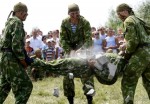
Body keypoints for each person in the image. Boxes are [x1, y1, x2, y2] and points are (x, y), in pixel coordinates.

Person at [59, 3, 94, 104]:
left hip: (83, 51)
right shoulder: (64, 22)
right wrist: (70, 51)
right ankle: (70, 101)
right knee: (67, 76)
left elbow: (88, 40)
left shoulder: (85, 22)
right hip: (69, 51)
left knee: (87, 75)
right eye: (72, 13)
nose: (75, 16)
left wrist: (81, 50)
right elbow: (63, 39)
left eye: (77, 13)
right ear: (69, 14)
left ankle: (89, 99)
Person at [116, 3, 150, 104]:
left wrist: (124, 50)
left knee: (128, 80)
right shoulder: (138, 20)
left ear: (123, 11)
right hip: (148, 53)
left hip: (140, 55)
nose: (119, 17)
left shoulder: (128, 20)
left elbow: (133, 42)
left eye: (118, 14)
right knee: (148, 81)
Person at [0, 2, 33, 104]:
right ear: (19, 12)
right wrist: (23, 61)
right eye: (25, 14)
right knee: (25, 86)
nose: (26, 16)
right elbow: (16, 45)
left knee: (3, 88)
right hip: (11, 59)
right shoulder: (17, 22)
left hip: (5, 59)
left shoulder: (9, 23)